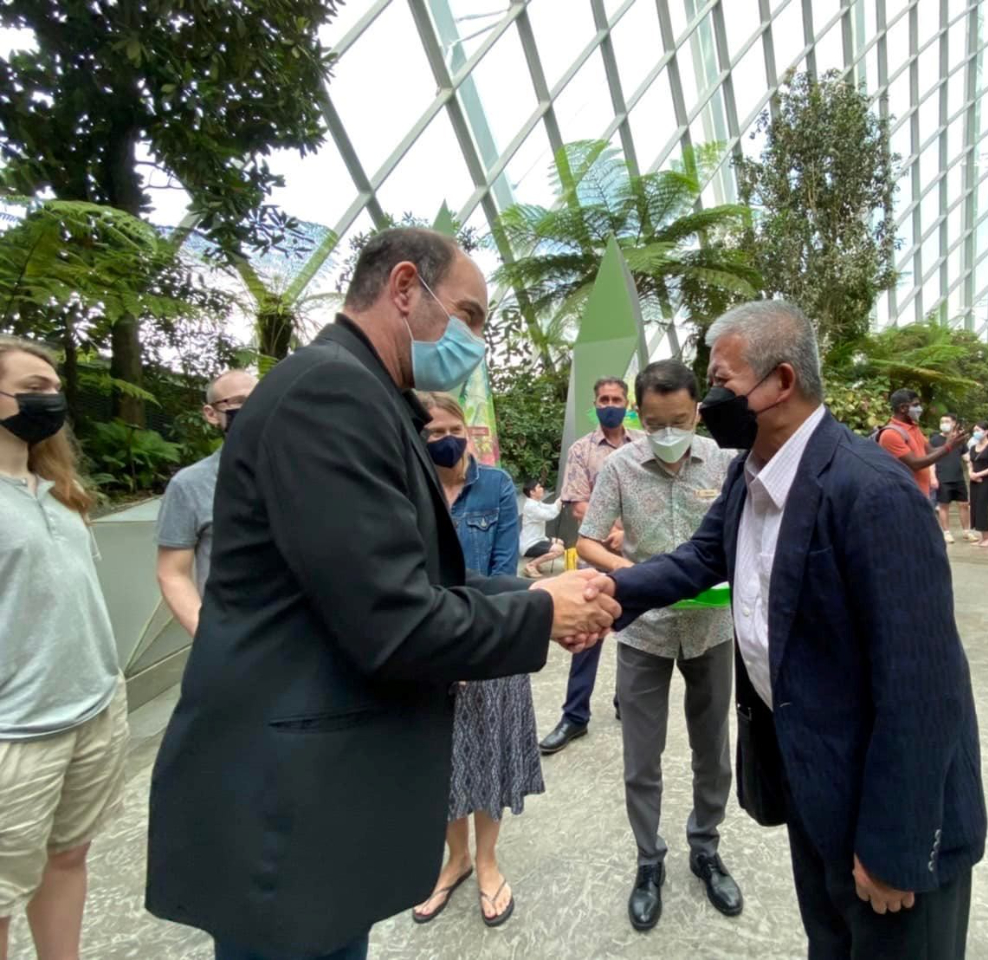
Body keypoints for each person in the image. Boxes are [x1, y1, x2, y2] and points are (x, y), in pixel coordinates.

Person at [145, 227, 618, 960]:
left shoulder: (362, 393)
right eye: (469, 315)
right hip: (290, 807)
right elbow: (393, 621)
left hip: (313, 799)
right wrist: (541, 611)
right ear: (403, 288)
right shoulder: (330, 394)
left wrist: (540, 593)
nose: (475, 341)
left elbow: (405, 578)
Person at [601, 302, 987, 959]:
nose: (711, 402)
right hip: (816, 786)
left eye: (722, 382)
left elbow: (926, 691)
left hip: (887, 818)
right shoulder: (751, 475)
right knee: (829, 944)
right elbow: (700, 558)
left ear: (781, 382)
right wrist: (607, 595)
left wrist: (894, 847)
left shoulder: (873, 493)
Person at [576, 359, 742, 933]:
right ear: (638, 417)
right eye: (653, 424)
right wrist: (636, 577)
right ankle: (649, 861)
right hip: (644, 630)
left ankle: (706, 848)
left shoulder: (724, 461)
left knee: (712, 749)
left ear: (698, 411)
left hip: (711, 629)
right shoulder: (620, 466)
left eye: (679, 421)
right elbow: (588, 540)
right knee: (641, 757)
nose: (667, 433)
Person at [0, 337, 130, 960]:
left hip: (93, 710)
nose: (50, 399)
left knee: (69, 856)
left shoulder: (60, 488)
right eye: (33, 388)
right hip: (16, 731)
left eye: (53, 388)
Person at [410, 392, 543, 929]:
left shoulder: (496, 486)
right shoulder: (409, 488)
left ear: (468, 431)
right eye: (432, 433)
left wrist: (472, 649)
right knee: (442, 763)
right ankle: (456, 859)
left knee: (489, 757)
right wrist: (443, 649)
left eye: (453, 430)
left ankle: (486, 861)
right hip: (431, 644)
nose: (445, 440)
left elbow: (502, 571)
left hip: (489, 639)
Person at [538, 377, 644, 755]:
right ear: (595, 404)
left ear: (627, 404)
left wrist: (628, 532)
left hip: (637, 556)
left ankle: (625, 701)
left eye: (616, 399)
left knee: (635, 633)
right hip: (594, 556)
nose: (610, 405)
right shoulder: (582, 449)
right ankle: (575, 716)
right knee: (587, 633)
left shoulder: (643, 445)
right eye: (604, 399)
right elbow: (577, 504)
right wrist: (613, 531)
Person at [155, 368, 258, 636]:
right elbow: (172, 573)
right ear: (211, 414)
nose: (254, 409)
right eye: (240, 401)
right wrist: (208, 637)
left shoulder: (302, 473)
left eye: (261, 399)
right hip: (235, 635)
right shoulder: (189, 485)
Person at [877, 388, 970, 499]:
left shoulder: (914, 427)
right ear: (903, 408)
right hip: (903, 496)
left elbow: (930, 452)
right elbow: (915, 464)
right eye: (916, 405)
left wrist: (951, 443)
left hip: (921, 493)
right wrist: (949, 447)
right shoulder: (890, 434)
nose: (920, 409)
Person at [930, 413, 975, 544]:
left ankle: (967, 531)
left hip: (958, 477)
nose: (944, 424)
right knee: (943, 506)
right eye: (942, 421)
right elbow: (930, 461)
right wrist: (933, 477)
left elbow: (967, 458)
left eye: (947, 421)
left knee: (964, 504)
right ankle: (946, 532)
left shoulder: (959, 440)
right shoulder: (934, 440)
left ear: (954, 423)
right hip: (942, 477)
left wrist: (972, 468)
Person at [519, 479, 565, 578]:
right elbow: (550, 515)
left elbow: (552, 507)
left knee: (560, 542)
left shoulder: (536, 503)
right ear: (532, 492)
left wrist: (562, 498)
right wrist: (561, 500)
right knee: (559, 550)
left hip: (539, 539)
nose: (542, 489)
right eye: (539, 487)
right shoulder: (531, 507)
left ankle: (535, 562)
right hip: (530, 544)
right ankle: (531, 565)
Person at [965, 422, 988, 548]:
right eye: (974, 430)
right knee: (975, 507)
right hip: (974, 480)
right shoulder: (973, 447)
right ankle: (983, 536)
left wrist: (978, 475)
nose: (976, 432)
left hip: (987, 480)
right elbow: (970, 463)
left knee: (983, 507)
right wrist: (971, 473)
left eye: (978, 430)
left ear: (987, 431)